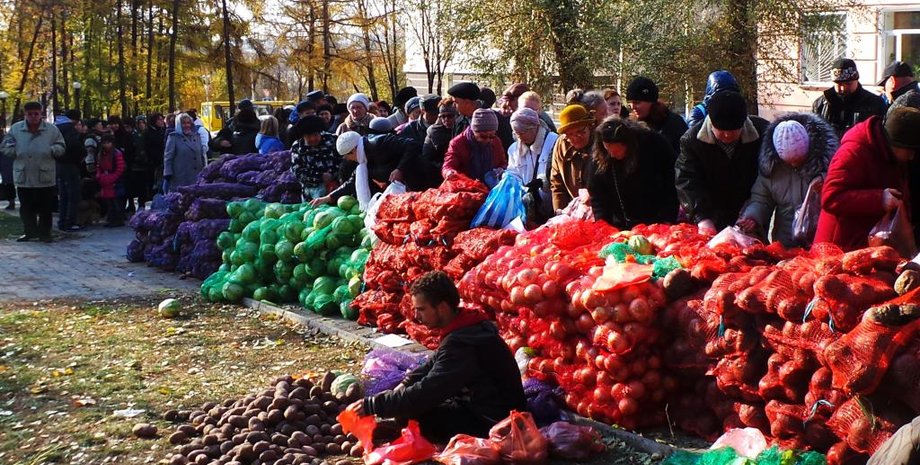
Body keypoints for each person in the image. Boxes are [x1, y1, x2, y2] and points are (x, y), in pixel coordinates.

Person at [346, 271, 526, 442]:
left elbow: (429, 390)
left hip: (494, 421)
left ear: (442, 307)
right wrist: (402, 386)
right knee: (405, 406)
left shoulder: (463, 343)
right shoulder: (465, 326)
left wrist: (373, 405)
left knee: (412, 413)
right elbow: (430, 367)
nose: (416, 316)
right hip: (480, 406)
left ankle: (399, 430)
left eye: (421, 309)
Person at [813, 106, 920, 251]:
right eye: (910, 151)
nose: (912, 156)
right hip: (838, 247)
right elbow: (831, 197)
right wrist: (879, 199)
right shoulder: (855, 150)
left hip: (869, 244)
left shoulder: (893, 156)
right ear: (894, 143)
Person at [736, 114, 838, 247]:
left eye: (799, 160)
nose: (794, 165)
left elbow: (841, 196)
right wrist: (752, 217)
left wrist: (825, 183)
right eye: (789, 162)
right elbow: (761, 200)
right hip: (785, 244)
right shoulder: (772, 169)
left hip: (820, 242)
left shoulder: (827, 166)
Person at [675, 90, 770, 233]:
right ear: (711, 122)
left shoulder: (763, 133)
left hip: (749, 214)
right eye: (721, 130)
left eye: (733, 130)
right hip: (711, 214)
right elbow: (686, 181)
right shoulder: (692, 140)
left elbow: (768, 178)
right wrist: (702, 218)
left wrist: (755, 211)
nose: (727, 135)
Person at [588, 117, 679, 228]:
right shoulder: (600, 154)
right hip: (620, 222)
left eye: (616, 151)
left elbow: (672, 181)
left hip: (658, 221)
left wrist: (668, 217)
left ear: (628, 144)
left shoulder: (654, 143)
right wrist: (603, 226)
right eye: (608, 149)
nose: (611, 155)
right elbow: (598, 195)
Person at [1, 101, 65, 242]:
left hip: (44, 174)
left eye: (36, 113)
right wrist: (13, 152)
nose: (33, 117)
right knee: (26, 207)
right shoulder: (16, 129)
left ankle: (45, 234)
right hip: (24, 175)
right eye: (30, 114)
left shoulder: (51, 130)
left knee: (45, 207)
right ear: (25, 114)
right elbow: (5, 146)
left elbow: (61, 145)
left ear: (41, 114)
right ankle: (30, 232)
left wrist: (52, 150)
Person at [313, 129, 423, 208]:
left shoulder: (378, 143)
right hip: (406, 190)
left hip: (420, 179)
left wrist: (400, 169)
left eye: (348, 155)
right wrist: (327, 198)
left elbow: (412, 145)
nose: (348, 159)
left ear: (354, 150)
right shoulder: (363, 162)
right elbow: (351, 182)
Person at [506, 108, 559, 224]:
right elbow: (513, 173)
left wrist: (542, 181)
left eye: (522, 132)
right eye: (516, 133)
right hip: (528, 208)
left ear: (535, 127)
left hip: (552, 204)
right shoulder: (514, 149)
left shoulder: (554, 142)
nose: (519, 137)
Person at [812, 58, 887, 139]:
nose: (843, 88)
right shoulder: (820, 104)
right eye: (839, 84)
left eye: (848, 83)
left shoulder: (875, 103)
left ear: (857, 80)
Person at [442, 108, 507, 187]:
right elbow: (448, 166)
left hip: (492, 187)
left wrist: (502, 170)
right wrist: (449, 172)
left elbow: (502, 163)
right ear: (473, 131)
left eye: (491, 136)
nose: (487, 140)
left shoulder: (496, 141)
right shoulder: (458, 143)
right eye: (483, 136)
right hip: (466, 187)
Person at [626, 76, 689, 156]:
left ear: (651, 102)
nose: (632, 107)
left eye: (637, 102)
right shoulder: (632, 125)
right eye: (630, 103)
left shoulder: (674, 124)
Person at [550, 104, 596, 211]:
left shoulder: (600, 143)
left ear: (589, 127)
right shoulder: (562, 144)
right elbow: (557, 183)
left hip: (599, 209)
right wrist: (559, 213)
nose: (576, 138)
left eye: (580, 132)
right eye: (570, 134)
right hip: (573, 210)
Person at [290, 115, 340, 202]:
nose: (313, 139)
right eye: (309, 136)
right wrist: (320, 177)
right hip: (310, 193)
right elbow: (297, 171)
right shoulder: (297, 147)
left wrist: (332, 174)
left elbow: (343, 161)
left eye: (316, 135)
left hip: (335, 189)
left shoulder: (332, 140)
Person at [55, 109, 85, 230]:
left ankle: (62, 221)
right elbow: (74, 146)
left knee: (63, 195)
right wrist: (81, 154)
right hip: (70, 164)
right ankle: (70, 221)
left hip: (59, 164)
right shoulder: (69, 129)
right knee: (72, 194)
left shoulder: (57, 127)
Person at [163, 113, 205, 192]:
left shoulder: (197, 136)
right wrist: (167, 173)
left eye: (188, 123)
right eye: (183, 123)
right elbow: (168, 157)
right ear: (179, 124)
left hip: (197, 176)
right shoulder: (173, 137)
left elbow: (202, 155)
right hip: (180, 177)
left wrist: (204, 170)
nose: (187, 125)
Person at [421, 98, 458, 188]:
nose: (446, 119)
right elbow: (428, 156)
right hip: (437, 173)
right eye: (442, 116)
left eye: (450, 116)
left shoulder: (461, 127)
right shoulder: (434, 131)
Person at [95, 134, 126, 227]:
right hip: (105, 179)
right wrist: (99, 176)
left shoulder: (116, 153)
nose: (106, 145)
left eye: (108, 143)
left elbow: (120, 168)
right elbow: (98, 166)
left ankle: (118, 220)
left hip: (116, 180)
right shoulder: (101, 154)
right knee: (109, 201)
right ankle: (112, 219)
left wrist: (113, 177)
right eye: (104, 143)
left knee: (116, 201)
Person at [126, 115, 152, 213]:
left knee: (143, 188)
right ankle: (133, 205)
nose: (141, 125)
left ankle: (141, 205)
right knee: (134, 186)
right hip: (135, 165)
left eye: (143, 123)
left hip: (145, 165)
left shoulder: (147, 134)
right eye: (139, 123)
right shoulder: (133, 135)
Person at [143, 113, 167, 195]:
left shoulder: (163, 131)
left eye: (162, 120)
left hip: (163, 160)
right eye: (159, 120)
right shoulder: (148, 133)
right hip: (154, 162)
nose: (161, 121)